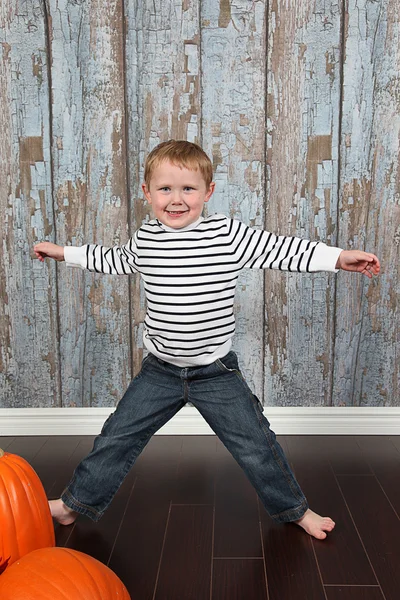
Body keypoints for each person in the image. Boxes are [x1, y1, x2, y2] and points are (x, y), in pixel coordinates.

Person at [34, 140, 380, 540]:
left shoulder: (226, 234)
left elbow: (284, 250)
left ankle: (295, 510)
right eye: (165, 189)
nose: (176, 200)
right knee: (117, 437)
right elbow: (111, 259)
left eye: (188, 189)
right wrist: (63, 253)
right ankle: (72, 506)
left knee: (255, 444)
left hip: (214, 372)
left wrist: (338, 258)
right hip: (160, 371)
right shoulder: (146, 238)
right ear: (147, 193)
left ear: (208, 191)